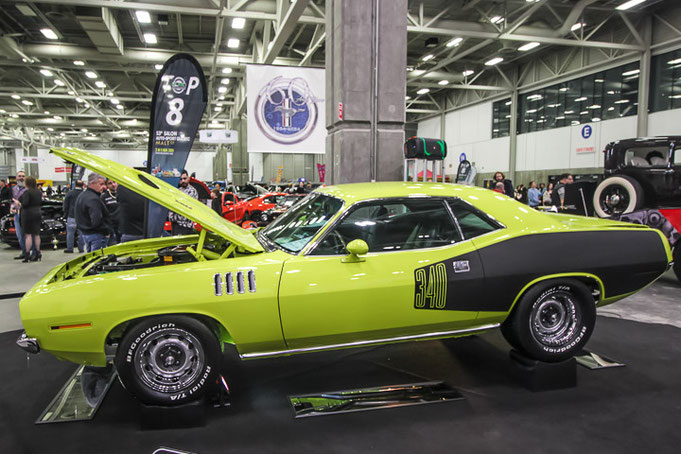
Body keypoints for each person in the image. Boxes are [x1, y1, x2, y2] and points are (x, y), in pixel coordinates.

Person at [76, 173, 111, 252]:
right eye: (101, 184)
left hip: (86, 234)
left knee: (91, 259)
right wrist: (106, 231)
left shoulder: (82, 196)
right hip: (97, 235)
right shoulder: (93, 199)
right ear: (92, 183)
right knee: (98, 260)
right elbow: (96, 220)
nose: (104, 187)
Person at [17, 176, 43, 262]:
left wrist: (19, 203)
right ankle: (38, 253)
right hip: (37, 213)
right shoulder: (39, 192)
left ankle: (27, 254)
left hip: (28, 214)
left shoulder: (27, 192)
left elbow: (25, 204)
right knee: (36, 234)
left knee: (27, 235)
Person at [168, 170, 198, 235]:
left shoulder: (191, 191)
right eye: (181, 179)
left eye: (185, 178)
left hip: (185, 226)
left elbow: (184, 209)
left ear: (189, 178)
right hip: (176, 225)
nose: (183, 181)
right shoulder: (179, 190)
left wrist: (172, 208)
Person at [62, 179, 85, 253]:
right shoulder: (84, 194)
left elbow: (65, 205)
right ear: (82, 186)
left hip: (72, 215)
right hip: (82, 217)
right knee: (81, 233)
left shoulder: (70, 193)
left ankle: (70, 248)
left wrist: (65, 214)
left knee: (70, 233)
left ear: (75, 185)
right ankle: (81, 248)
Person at [10, 170, 28, 259]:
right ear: (16, 177)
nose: (21, 177)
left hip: (26, 215)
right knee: (20, 235)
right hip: (17, 215)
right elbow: (12, 200)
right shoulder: (14, 189)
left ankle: (29, 253)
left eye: (23, 176)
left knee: (27, 235)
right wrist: (11, 207)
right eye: (20, 176)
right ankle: (24, 252)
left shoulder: (28, 189)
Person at [101, 179, 120, 245]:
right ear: (107, 185)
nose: (113, 185)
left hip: (123, 228)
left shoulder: (123, 194)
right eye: (110, 183)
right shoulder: (104, 197)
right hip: (111, 228)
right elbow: (102, 214)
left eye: (114, 182)